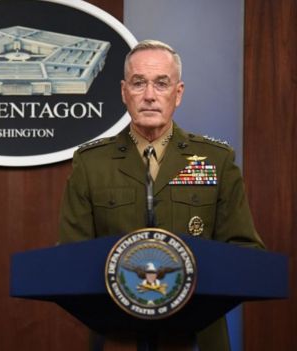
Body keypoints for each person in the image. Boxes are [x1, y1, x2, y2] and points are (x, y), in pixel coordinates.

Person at [59, 40, 264, 351]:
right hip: (118, 339)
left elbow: (246, 251)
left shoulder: (215, 160)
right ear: (124, 91)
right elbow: (71, 258)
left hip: (198, 339)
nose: (150, 95)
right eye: (139, 83)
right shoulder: (91, 164)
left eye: (161, 83)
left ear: (178, 93)